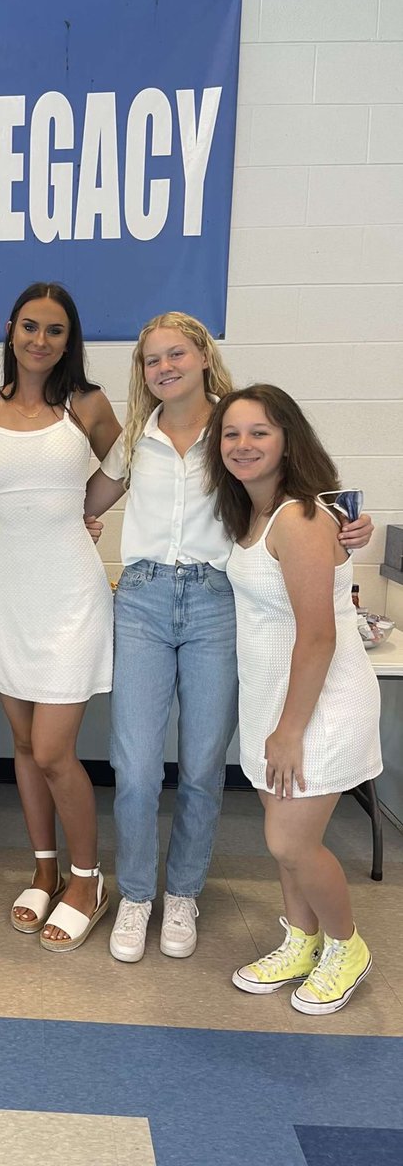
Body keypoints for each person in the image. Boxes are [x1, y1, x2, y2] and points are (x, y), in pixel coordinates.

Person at [84, 313, 373, 965]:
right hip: (143, 600)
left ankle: (182, 893)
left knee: (204, 763)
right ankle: (136, 895)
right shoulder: (136, 436)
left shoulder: (235, 429)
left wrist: (352, 525)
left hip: (219, 600)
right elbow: (86, 502)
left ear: (204, 356)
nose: (165, 368)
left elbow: (302, 494)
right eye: (152, 360)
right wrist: (76, 525)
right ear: (143, 372)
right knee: (132, 765)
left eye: (176, 354)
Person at [205, 384, 380, 1015]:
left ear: (287, 441)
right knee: (284, 841)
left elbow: (318, 636)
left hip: (317, 703)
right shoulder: (251, 515)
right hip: (273, 699)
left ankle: (346, 945)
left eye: (259, 432)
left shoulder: (299, 517)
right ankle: (301, 940)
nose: (243, 445)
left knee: (289, 844)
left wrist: (289, 730)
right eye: (232, 433)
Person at [0, 282, 121, 953]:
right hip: (11, 592)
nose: (41, 340)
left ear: (68, 339)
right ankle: (45, 868)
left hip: (72, 595)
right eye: (30, 326)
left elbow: (126, 459)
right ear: (10, 329)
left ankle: (89, 879)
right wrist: (10, 528)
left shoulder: (86, 403)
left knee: (54, 750)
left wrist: (82, 510)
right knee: (25, 747)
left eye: (55, 330)